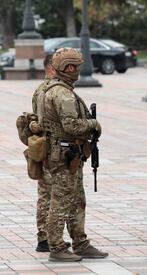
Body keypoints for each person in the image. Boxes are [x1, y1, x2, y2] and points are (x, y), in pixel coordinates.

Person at [35, 47, 108, 261]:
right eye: (74, 66)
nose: (76, 70)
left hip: (66, 154)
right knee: (61, 202)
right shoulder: (62, 93)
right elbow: (72, 126)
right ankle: (56, 246)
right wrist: (93, 124)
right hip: (64, 155)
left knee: (76, 200)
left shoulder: (50, 88)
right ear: (67, 67)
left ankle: (80, 242)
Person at [31, 54, 70, 252]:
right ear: (52, 69)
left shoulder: (42, 89)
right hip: (50, 149)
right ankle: (45, 238)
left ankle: (46, 237)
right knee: (49, 194)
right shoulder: (50, 90)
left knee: (46, 193)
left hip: (45, 148)